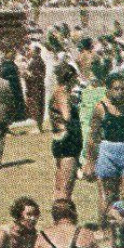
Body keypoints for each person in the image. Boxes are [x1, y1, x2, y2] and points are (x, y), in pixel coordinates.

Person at [82, 75, 124, 245]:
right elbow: (92, 136)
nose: (120, 92)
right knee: (107, 194)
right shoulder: (100, 108)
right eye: (116, 89)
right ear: (108, 90)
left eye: (122, 88)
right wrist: (89, 160)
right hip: (108, 150)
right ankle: (107, 232)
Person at [49, 62, 84, 202]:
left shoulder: (57, 91)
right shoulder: (62, 93)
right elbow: (66, 116)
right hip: (68, 140)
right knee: (66, 188)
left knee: (59, 185)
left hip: (59, 138)